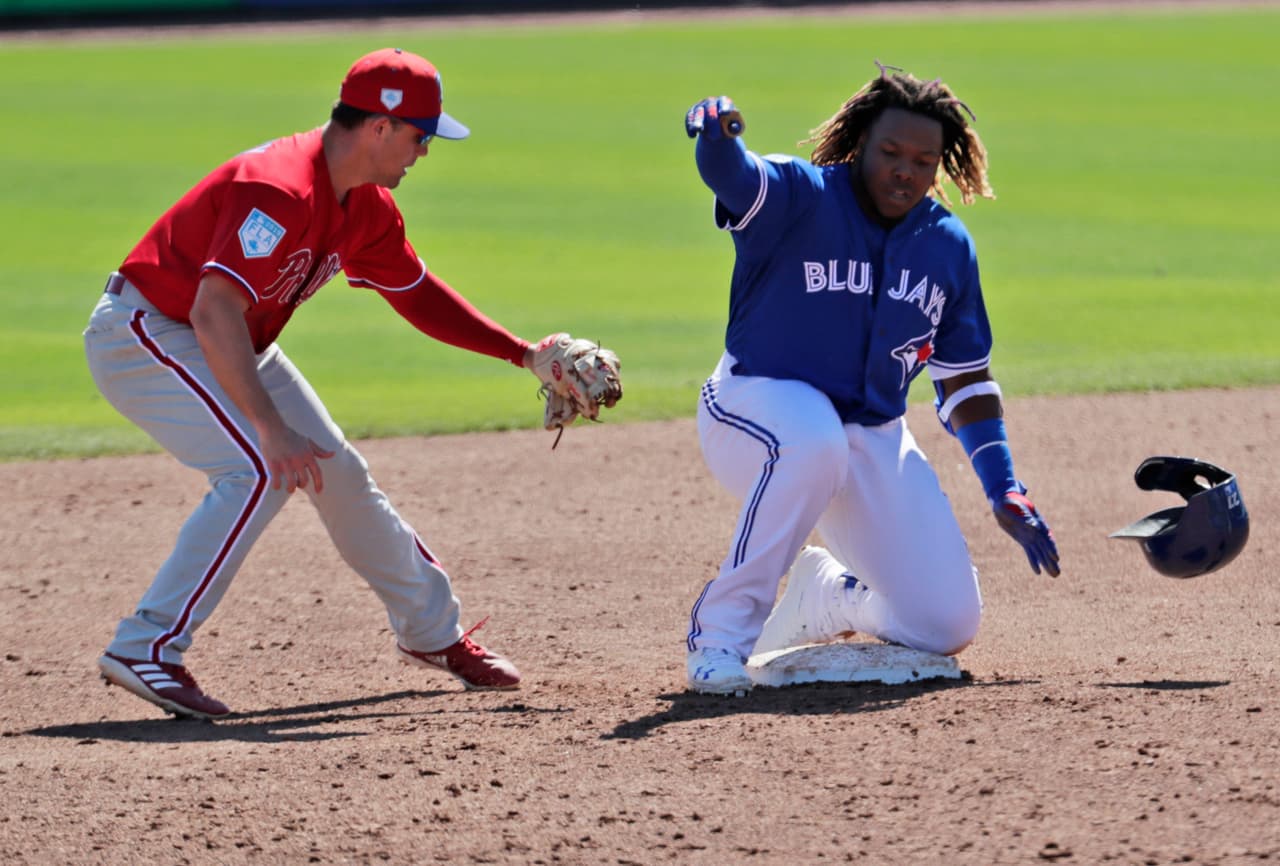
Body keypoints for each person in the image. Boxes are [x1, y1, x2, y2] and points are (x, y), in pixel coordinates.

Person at [85, 48, 604, 719]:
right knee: (262, 466)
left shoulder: (366, 205)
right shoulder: (278, 188)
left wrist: (524, 355)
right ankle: (146, 645)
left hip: (226, 337)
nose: (424, 152)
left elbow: (416, 294)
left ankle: (431, 634)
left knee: (339, 472)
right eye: (421, 136)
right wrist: (270, 429)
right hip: (148, 331)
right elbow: (213, 307)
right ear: (379, 127)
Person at [681, 64, 1060, 695]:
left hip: (869, 437)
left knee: (944, 621)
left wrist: (1003, 487)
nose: (905, 170)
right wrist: (715, 135)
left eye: (924, 159)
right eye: (890, 152)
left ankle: (831, 596)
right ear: (861, 144)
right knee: (812, 438)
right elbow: (733, 176)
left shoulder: (947, 247)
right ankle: (719, 639)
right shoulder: (800, 197)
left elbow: (964, 381)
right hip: (751, 407)